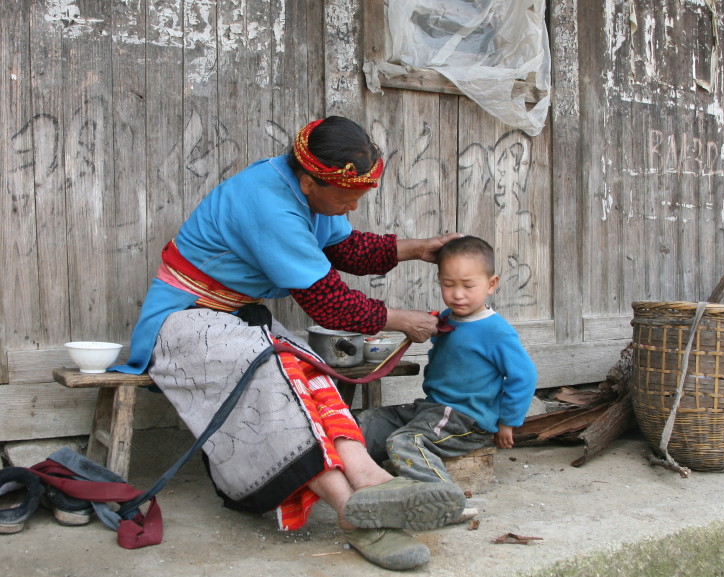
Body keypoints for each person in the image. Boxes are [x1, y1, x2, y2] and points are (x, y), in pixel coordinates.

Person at [112, 116, 466, 571]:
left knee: (308, 368)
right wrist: (402, 321)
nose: (353, 206)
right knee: (271, 375)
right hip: (182, 323)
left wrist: (420, 248)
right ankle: (351, 513)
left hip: (235, 318)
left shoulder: (310, 197)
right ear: (308, 179)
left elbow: (347, 249)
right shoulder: (269, 204)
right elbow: (331, 305)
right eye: (348, 197)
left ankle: (370, 479)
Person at [358, 236, 537, 509]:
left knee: (406, 441)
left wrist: (507, 422)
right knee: (369, 421)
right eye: (448, 284)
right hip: (434, 410)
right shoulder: (446, 317)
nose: (457, 294)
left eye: (468, 285)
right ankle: (356, 476)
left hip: (466, 419)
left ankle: (441, 498)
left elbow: (523, 376)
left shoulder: (496, 331)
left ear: (491, 284)